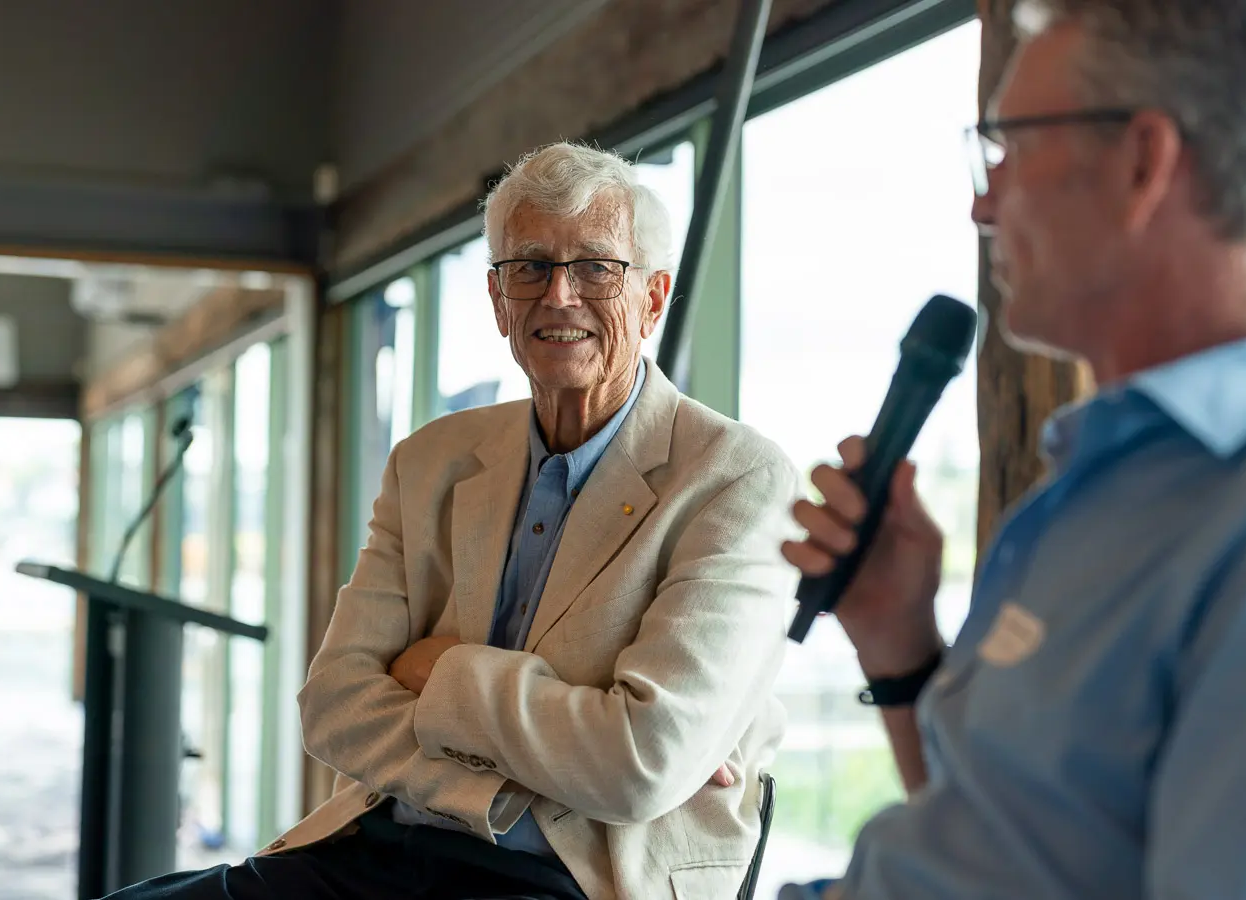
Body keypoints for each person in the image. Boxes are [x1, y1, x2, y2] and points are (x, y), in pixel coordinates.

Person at [108, 142, 801, 900]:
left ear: (654, 297)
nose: (559, 296)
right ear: (499, 299)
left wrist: (436, 671)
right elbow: (335, 706)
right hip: (376, 844)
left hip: (571, 878)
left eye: (598, 268)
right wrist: (526, 769)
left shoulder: (736, 478)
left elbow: (639, 764)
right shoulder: (431, 460)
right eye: (529, 267)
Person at [778, 1, 1246, 897]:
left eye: (1007, 148)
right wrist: (898, 638)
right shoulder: (1093, 481)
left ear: (1142, 162)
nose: (981, 202)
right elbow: (1000, 834)